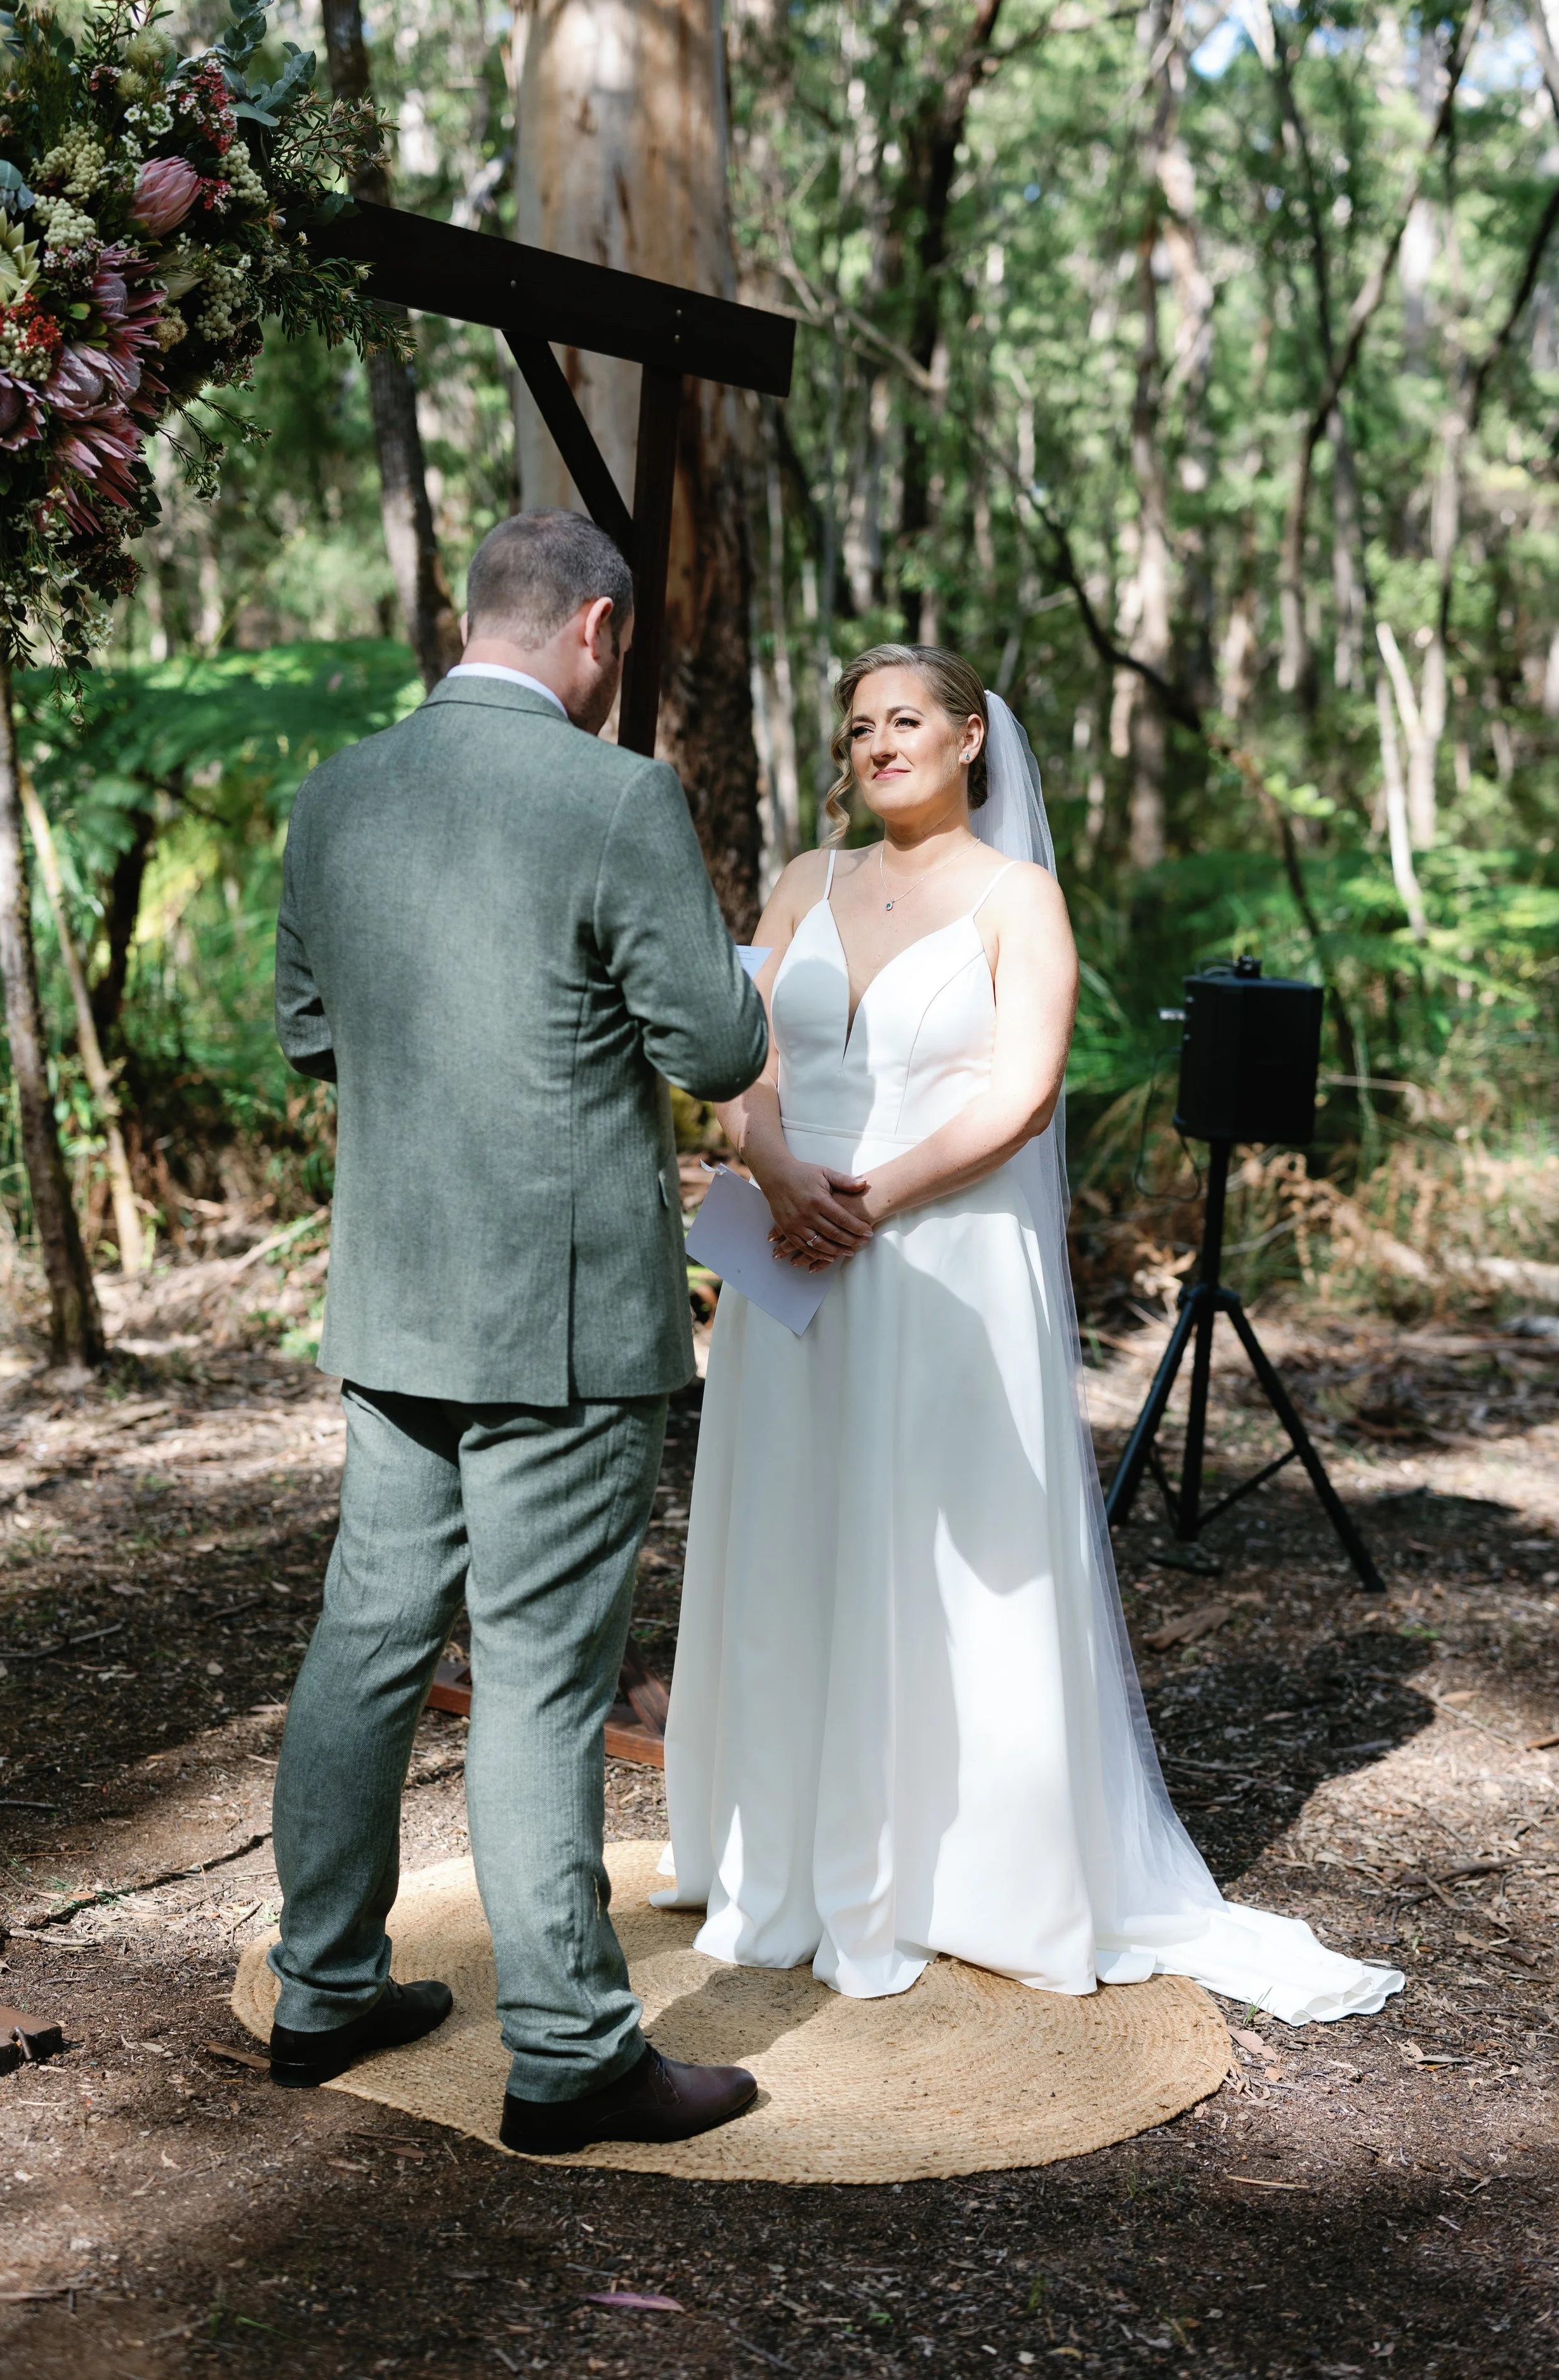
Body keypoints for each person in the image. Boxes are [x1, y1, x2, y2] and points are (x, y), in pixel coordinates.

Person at [655, 643, 1404, 2026]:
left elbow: (1021, 1091)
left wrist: (871, 1195)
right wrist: (772, 1170)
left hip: (938, 1259)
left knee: (937, 1554)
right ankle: (774, 1858)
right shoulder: (798, 885)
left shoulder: (1020, 898)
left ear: (966, 742)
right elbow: (737, 1064)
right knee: (786, 1530)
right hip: (788, 1251)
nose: (878, 743)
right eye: (860, 725)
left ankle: (945, 1869)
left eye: (906, 720)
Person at [268, 509, 768, 2153]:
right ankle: (566, 2050)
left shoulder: (336, 790)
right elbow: (709, 1038)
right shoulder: (614, 793)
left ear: (474, 614)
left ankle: (326, 1983)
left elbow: (307, 1032)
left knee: (370, 1635)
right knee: (544, 1679)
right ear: (599, 630)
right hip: (556, 1316)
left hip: (395, 1295)